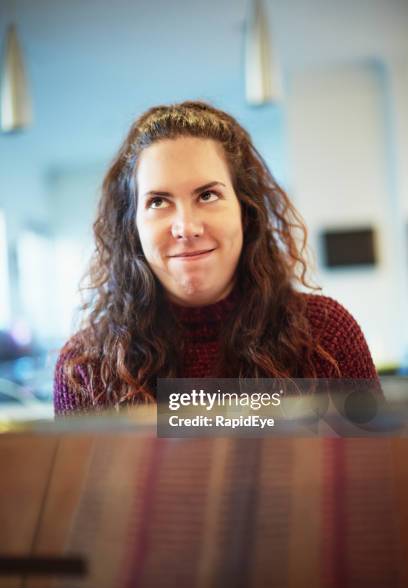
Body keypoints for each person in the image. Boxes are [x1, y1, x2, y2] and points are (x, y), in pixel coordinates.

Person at [53, 101, 378, 413]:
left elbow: (377, 464)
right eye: (158, 202)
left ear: (246, 212)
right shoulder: (84, 368)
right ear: (131, 226)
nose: (187, 227)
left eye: (207, 195)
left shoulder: (326, 335)